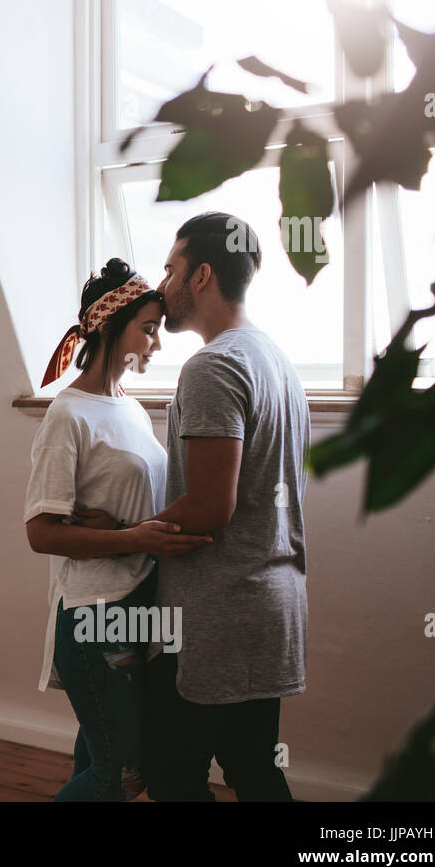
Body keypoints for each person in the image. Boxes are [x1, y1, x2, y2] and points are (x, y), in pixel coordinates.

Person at [137, 211, 311, 801]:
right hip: (270, 604)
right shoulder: (276, 360)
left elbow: (211, 506)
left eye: (171, 268)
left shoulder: (213, 366)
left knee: (172, 776)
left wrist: (123, 532)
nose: (162, 285)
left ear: (202, 274)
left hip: (216, 615)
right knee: (253, 769)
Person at [24, 257, 213, 801]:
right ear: (109, 326)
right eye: (148, 329)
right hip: (95, 614)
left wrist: (127, 529)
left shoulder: (128, 407)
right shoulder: (69, 414)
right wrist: (131, 539)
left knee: (99, 755)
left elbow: (134, 509)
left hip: (139, 601)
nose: (157, 342)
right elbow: (41, 533)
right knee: (122, 774)